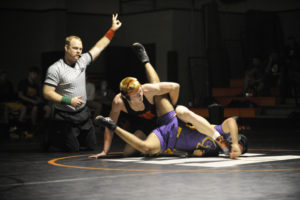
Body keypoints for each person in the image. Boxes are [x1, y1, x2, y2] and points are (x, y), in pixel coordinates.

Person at [90, 43, 231, 158]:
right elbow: (109, 126)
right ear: (126, 97)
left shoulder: (145, 90)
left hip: (164, 116)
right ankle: (158, 146)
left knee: (158, 93)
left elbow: (175, 86)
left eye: (140, 91)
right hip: (147, 125)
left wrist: (172, 105)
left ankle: (145, 60)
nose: (140, 95)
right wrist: (105, 151)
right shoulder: (118, 102)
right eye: (136, 95)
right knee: (128, 153)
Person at [43, 14, 122, 152]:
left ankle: (72, 136)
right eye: (75, 48)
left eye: (80, 49)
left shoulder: (82, 61)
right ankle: (53, 135)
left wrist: (112, 29)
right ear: (66, 48)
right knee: (72, 149)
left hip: (82, 113)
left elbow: (99, 47)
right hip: (64, 115)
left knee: (91, 146)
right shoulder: (55, 68)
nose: (79, 51)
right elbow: (47, 92)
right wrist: (69, 100)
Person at [17, 66, 51, 138]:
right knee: (34, 108)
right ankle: (33, 127)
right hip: (26, 102)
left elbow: (37, 96)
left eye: (36, 74)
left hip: (35, 102)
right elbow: (20, 95)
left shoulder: (36, 85)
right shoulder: (23, 83)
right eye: (34, 73)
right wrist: (32, 101)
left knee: (48, 108)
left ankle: (43, 127)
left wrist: (40, 100)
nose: (35, 76)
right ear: (29, 73)